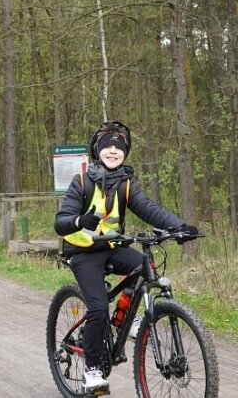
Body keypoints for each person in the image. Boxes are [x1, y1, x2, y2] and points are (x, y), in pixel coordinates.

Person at [54, 121, 199, 393]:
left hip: (110, 246)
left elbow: (148, 209)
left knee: (145, 267)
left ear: (125, 153)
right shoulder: (82, 182)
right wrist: (79, 220)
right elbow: (60, 222)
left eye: (118, 147)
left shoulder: (126, 184)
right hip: (83, 251)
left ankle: (124, 318)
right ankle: (93, 370)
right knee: (97, 308)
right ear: (97, 151)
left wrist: (179, 226)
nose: (112, 151)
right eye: (107, 146)